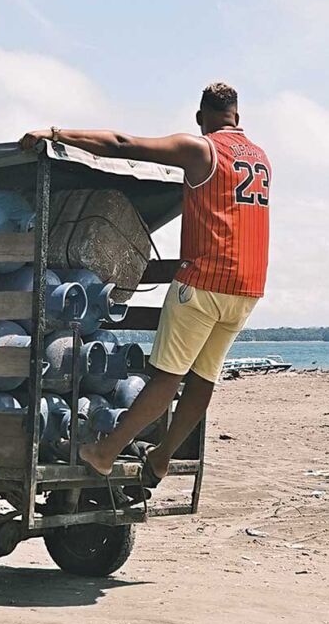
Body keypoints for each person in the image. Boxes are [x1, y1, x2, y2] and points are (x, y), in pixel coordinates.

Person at [19, 82, 270, 479]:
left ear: (201, 118)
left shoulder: (202, 149)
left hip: (203, 281)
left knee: (167, 377)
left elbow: (122, 143)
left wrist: (55, 134)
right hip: (247, 286)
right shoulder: (260, 158)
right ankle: (162, 454)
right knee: (203, 378)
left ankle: (105, 452)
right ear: (238, 118)